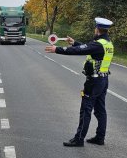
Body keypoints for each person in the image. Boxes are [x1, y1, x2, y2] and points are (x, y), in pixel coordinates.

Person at [45, 17, 114, 147]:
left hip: (93, 82)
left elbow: (81, 50)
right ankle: (100, 137)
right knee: (100, 110)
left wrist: (57, 49)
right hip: (103, 80)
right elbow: (86, 48)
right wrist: (74, 42)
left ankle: (79, 139)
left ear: (97, 29)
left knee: (85, 110)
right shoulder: (107, 44)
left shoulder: (98, 44)